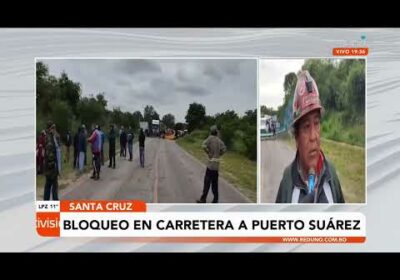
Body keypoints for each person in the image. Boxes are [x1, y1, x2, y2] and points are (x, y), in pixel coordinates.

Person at [275, 70, 345, 203]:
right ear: (296, 137)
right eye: (306, 126)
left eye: (317, 123)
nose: (314, 137)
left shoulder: (331, 174)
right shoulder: (287, 180)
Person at [196, 125, 226, 203]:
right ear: (216, 132)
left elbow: (203, 145)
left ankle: (203, 199)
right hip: (216, 165)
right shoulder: (219, 140)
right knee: (214, 184)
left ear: (211, 131)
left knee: (207, 183)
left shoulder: (210, 138)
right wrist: (219, 154)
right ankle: (215, 200)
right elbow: (224, 149)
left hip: (210, 165)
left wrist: (208, 152)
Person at [43, 121, 59, 200]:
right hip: (51, 166)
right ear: (50, 128)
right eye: (53, 128)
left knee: (48, 185)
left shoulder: (52, 136)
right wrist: (53, 165)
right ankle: (55, 202)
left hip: (49, 166)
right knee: (53, 185)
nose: (55, 129)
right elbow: (50, 154)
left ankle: (46, 202)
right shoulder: (49, 138)